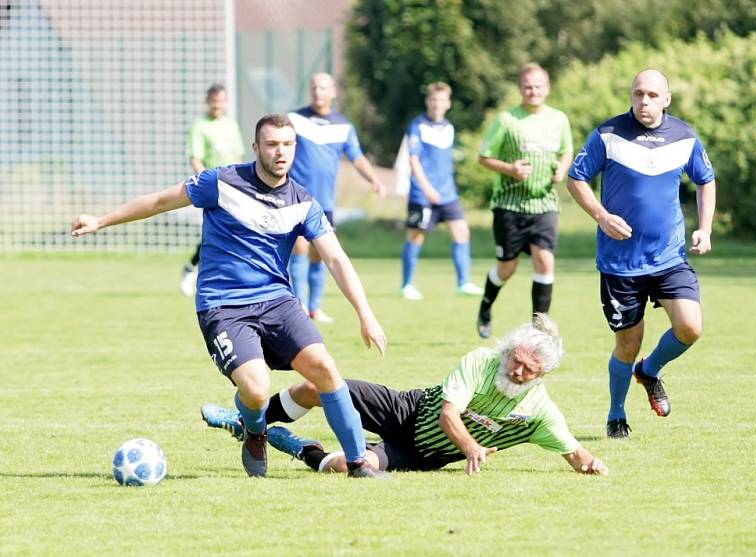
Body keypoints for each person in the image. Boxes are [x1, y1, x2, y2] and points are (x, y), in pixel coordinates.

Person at [72, 114, 388, 478]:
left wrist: (365, 313)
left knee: (326, 369)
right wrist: (101, 220)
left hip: (277, 302)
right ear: (256, 148)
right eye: (271, 144)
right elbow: (160, 200)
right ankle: (254, 428)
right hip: (223, 306)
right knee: (256, 389)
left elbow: (335, 257)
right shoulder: (221, 182)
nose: (279, 152)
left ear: (295, 148)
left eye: (287, 144)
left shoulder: (303, 202)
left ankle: (358, 463)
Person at [201, 314, 608, 477]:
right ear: (507, 351)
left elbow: (573, 452)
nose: (516, 371)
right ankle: (245, 423)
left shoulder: (539, 412)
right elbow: (450, 414)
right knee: (319, 387)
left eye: (528, 370)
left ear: (542, 376)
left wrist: (591, 465)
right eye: (515, 360)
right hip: (407, 409)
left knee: (344, 467)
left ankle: (294, 444)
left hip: (419, 455)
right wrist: (470, 447)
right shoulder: (483, 360)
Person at [566, 69, 716, 439]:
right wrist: (601, 216)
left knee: (691, 327)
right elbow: (575, 177)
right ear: (631, 97)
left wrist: (705, 227)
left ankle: (649, 371)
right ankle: (616, 414)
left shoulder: (685, 137)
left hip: (669, 258)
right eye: (638, 94)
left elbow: (705, 180)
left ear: (666, 99)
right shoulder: (607, 135)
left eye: (652, 95)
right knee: (627, 343)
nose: (644, 101)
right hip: (620, 265)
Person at [476, 63, 574, 339]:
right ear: (520, 89)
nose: (533, 91)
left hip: (544, 204)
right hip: (509, 205)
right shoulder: (507, 120)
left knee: (545, 260)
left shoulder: (559, 119)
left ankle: (538, 328)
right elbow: (483, 157)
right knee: (507, 268)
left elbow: (567, 151)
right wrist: (511, 169)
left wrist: (562, 169)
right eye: (528, 86)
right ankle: (485, 306)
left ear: (547, 88)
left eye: (538, 86)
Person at [288, 72, 386, 323]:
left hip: (324, 202)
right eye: (313, 87)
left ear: (333, 92)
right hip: (295, 198)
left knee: (319, 254)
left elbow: (357, 157)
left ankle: (315, 307)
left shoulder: (343, 126)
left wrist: (374, 179)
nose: (317, 92)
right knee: (299, 248)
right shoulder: (295, 119)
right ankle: (297, 305)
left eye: (323, 87)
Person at [399, 82, 483, 300]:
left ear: (448, 103)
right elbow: (413, 160)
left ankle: (463, 282)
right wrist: (427, 188)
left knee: (462, 232)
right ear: (428, 101)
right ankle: (407, 285)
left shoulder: (449, 127)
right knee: (416, 236)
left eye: (441, 100)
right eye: (433, 99)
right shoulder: (417, 126)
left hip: (447, 194)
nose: (437, 104)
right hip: (423, 194)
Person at [180, 83, 246, 297]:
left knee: (233, 230)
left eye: (221, 102)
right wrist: (208, 184)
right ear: (208, 102)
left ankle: (222, 275)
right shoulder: (200, 126)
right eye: (214, 102)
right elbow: (196, 159)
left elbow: (239, 157)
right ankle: (193, 270)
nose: (217, 106)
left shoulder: (231, 125)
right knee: (214, 232)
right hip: (213, 187)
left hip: (233, 187)